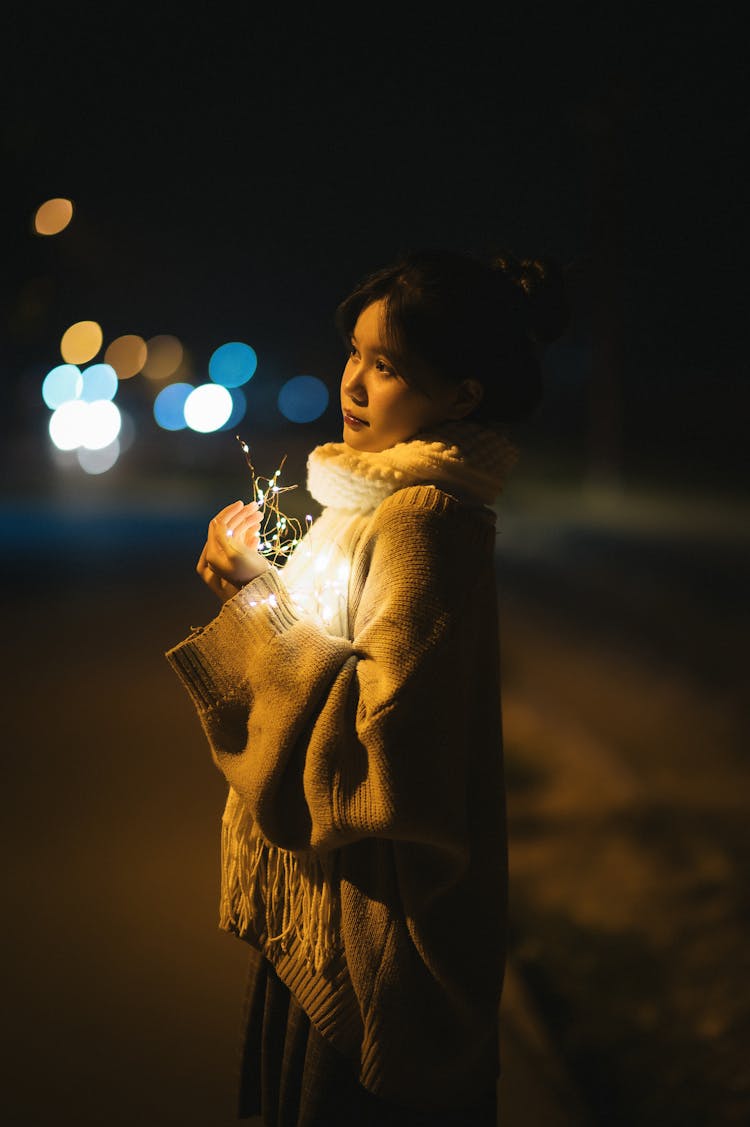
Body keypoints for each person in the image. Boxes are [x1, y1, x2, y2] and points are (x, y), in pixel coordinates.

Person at [165, 246, 569, 1126]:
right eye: (354, 352)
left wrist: (255, 602)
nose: (353, 381)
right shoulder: (367, 505)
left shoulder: (427, 518)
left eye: (387, 366)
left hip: (370, 939)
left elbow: (388, 754)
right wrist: (262, 592)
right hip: (327, 917)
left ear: (460, 394)